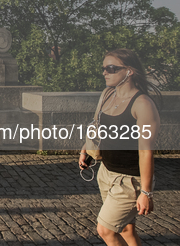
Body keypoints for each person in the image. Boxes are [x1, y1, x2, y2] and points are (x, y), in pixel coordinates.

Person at [79, 49, 160, 245]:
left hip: (130, 180)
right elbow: (98, 127)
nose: (104, 72)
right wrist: (85, 149)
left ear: (129, 71)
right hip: (106, 173)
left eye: (111, 68)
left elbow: (145, 152)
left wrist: (146, 193)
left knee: (105, 230)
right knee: (125, 229)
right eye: (104, 68)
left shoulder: (142, 104)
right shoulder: (107, 95)